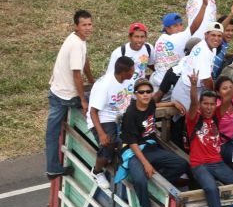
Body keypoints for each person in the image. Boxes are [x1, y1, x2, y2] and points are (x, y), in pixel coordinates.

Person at [119, 78, 189, 207]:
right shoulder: (130, 114)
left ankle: (153, 189)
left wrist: (172, 103)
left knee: (182, 164)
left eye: (148, 92)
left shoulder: (150, 104)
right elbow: (132, 143)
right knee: (139, 179)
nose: (145, 95)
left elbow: (156, 105)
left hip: (150, 147)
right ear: (135, 94)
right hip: (134, 151)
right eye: (141, 92)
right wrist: (146, 164)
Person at [186, 76, 233, 207]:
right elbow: (193, 102)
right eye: (205, 104)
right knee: (211, 188)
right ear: (201, 105)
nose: (209, 107)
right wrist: (194, 85)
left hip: (217, 162)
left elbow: (229, 97)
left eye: (212, 104)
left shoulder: (217, 115)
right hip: (199, 164)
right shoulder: (193, 118)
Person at [46, 10, 95, 178]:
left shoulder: (78, 39)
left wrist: (91, 79)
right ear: (76, 26)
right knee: (99, 103)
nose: (88, 28)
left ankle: (52, 168)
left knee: (52, 133)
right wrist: (83, 100)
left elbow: (85, 60)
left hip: (55, 91)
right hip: (67, 96)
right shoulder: (76, 45)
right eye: (84, 25)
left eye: (89, 24)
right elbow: (76, 75)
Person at [87, 56, 134, 189]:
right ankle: (96, 171)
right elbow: (93, 112)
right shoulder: (105, 85)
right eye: (132, 70)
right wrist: (102, 134)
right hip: (103, 118)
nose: (134, 72)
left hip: (121, 114)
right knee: (110, 142)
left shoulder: (128, 80)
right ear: (124, 73)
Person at [171, 22, 224, 111]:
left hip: (191, 86)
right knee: (188, 117)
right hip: (187, 91)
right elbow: (207, 81)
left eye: (219, 36)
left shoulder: (209, 46)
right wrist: (214, 96)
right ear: (206, 35)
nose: (216, 38)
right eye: (213, 35)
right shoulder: (204, 52)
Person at [105, 22, 154, 94]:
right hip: (124, 91)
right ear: (130, 37)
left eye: (142, 37)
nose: (139, 40)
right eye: (136, 37)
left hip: (140, 90)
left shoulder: (148, 48)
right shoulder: (119, 53)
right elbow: (109, 75)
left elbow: (152, 64)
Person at [150, 13, 190, 91]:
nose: (180, 28)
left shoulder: (161, 39)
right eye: (175, 26)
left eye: (181, 24)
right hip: (166, 85)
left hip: (157, 81)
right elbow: (194, 27)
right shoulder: (176, 39)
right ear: (167, 29)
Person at [214, 73, 233, 165]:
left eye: (231, 87)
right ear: (217, 92)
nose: (229, 90)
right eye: (224, 88)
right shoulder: (217, 106)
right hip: (221, 145)